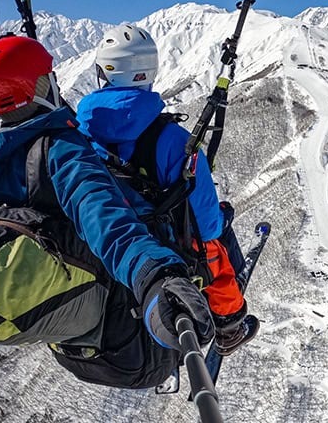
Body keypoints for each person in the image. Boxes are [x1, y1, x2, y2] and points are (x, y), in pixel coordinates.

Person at [0, 33, 215, 388]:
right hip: (132, 347)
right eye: (49, 77)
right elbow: (104, 219)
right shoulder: (63, 153)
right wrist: (153, 276)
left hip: (68, 335)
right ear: (40, 86)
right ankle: (229, 320)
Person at [75, 24, 258, 356]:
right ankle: (229, 324)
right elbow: (207, 225)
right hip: (163, 245)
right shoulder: (174, 142)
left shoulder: (78, 134)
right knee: (216, 238)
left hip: (108, 238)